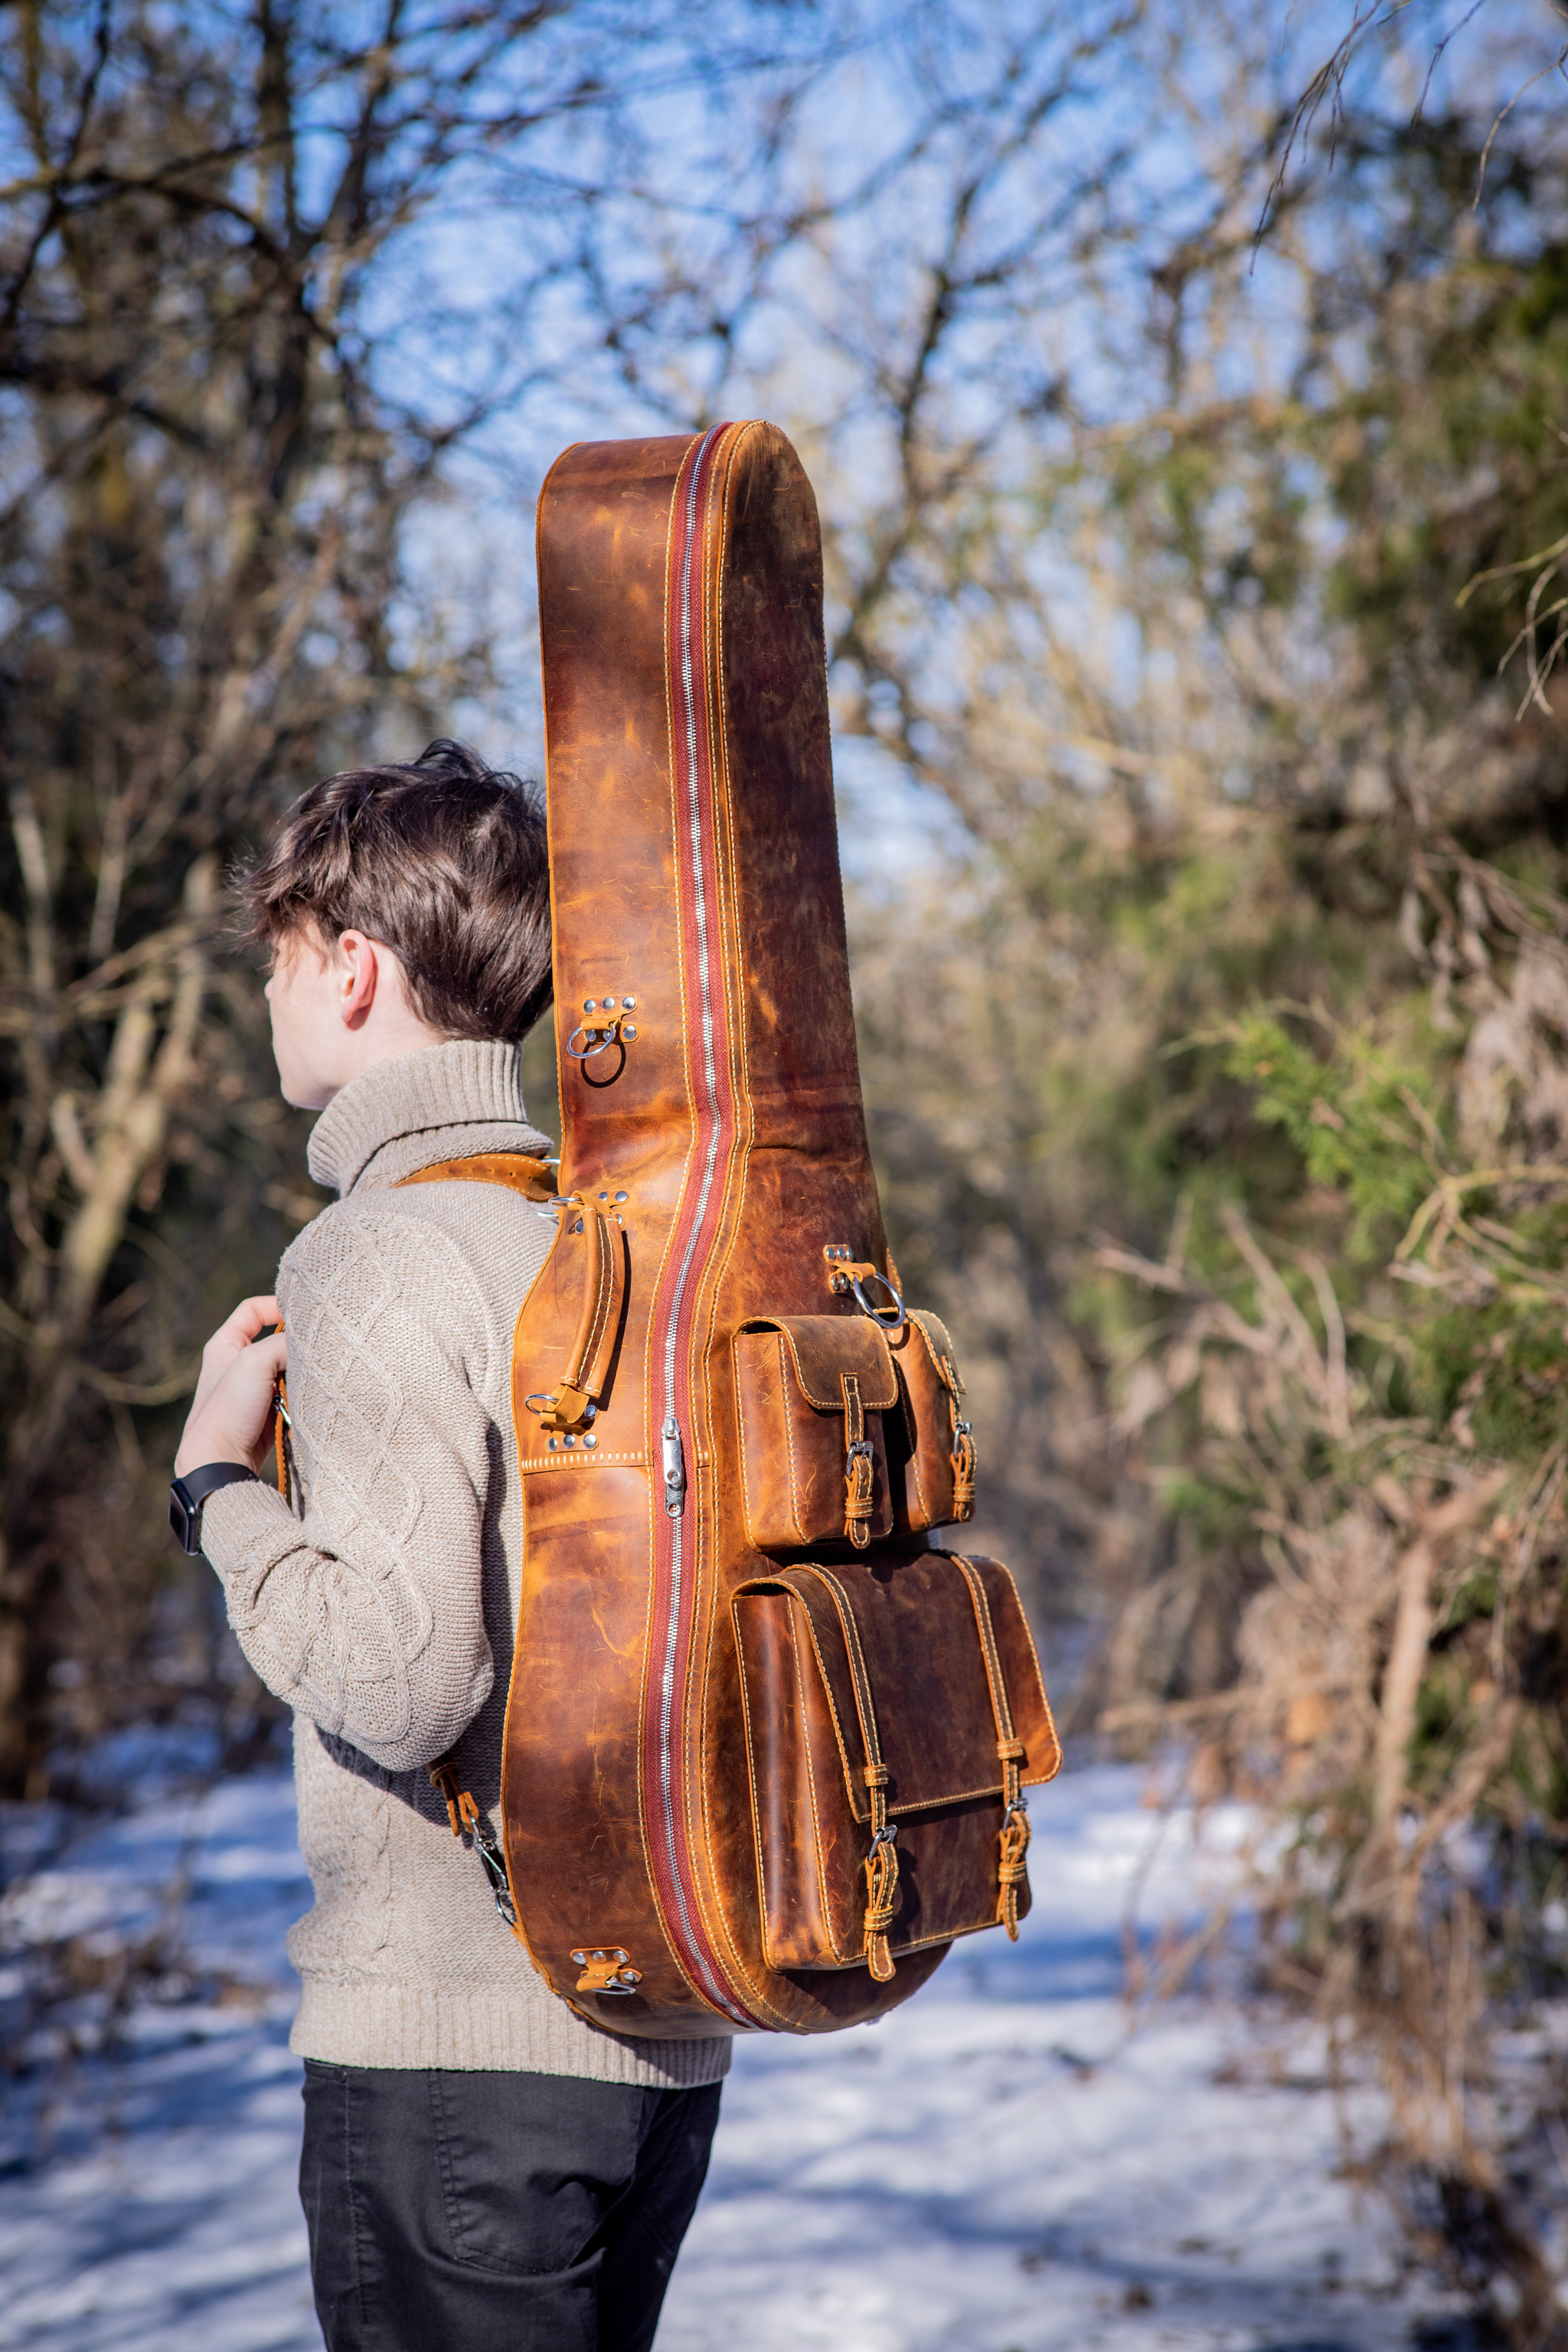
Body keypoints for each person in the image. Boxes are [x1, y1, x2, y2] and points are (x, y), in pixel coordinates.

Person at [170, 741, 730, 2352]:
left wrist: (222, 1488)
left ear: (351, 972)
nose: (265, 1002)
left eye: (275, 963)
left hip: (451, 2061)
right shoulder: (607, 1249)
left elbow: (405, 1684)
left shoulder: (375, 1252)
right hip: (655, 2038)